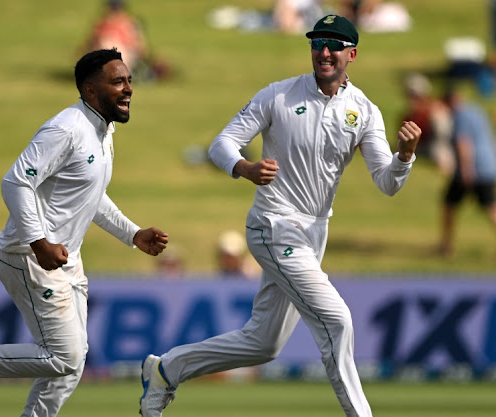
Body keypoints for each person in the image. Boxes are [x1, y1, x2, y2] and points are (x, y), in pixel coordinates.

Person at [139, 15, 420, 417]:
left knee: (263, 344)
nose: (324, 52)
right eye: (317, 43)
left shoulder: (365, 111)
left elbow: (387, 182)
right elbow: (222, 144)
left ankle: (167, 368)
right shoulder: (279, 95)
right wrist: (245, 168)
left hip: (313, 232)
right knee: (337, 321)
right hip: (274, 225)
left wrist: (405, 157)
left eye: (334, 45)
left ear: (351, 54)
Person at [0, 49, 169, 415]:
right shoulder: (66, 128)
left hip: (65, 259)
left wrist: (132, 234)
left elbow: (91, 195)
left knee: (73, 363)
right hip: (29, 256)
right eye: (117, 81)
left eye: (129, 80)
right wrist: (39, 242)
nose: (128, 88)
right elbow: (15, 182)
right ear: (89, 91)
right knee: (64, 357)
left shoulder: (103, 129)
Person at [439, 87, 496, 257]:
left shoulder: (461, 116)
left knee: (450, 204)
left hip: (473, 168)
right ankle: (446, 245)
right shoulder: (477, 111)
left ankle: (447, 246)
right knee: (490, 206)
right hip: (488, 166)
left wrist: (465, 170)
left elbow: (464, 143)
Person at [82, 0, 169, 81]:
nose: (114, 12)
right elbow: (90, 44)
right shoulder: (102, 24)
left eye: (115, 9)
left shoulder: (129, 23)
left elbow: (140, 47)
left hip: (125, 57)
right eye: (113, 9)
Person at [400, 73, 454, 175]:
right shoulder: (411, 114)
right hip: (422, 145)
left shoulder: (435, 108)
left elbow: (442, 133)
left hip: (439, 144)